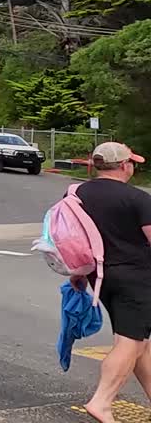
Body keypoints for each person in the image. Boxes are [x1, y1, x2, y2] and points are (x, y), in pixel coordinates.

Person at [71, 142, 151, 423]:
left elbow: (77, 237)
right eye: (132, 163)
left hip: (101, 279)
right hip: (137, 279)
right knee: (130, 342)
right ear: (123, 165)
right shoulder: (137, 199)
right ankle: (102, 401)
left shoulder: (77, 193)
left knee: (139, 342)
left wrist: (79, 272)